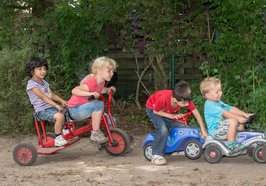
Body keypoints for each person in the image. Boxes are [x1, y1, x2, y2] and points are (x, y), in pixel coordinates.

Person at [146, 80, 208, 165]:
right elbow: (156, 112)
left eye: (187, 102)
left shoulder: (184, 98)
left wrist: (203, 130)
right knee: (162, 130)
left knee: (181, 126)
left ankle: (178, 147)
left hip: (166, 112)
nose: (186, 105)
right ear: (175, 100)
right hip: (153, 110)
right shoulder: (163, 98)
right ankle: (157, 155)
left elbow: (196, 113)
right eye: (184, 103)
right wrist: (172, 116)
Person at [67, 56, 117, 144]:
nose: (112, 73)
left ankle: (115, 137)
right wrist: (91, 94)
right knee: (98, 104)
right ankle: (95, 134)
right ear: (99, 70)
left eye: (113, 71)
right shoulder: (91, 81)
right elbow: (75, 90)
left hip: (84, 108)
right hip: (75, 110)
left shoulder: (102, 82)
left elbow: (99, 90)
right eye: (109, 71)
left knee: (109, 119)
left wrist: (108, 90)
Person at [200, 77, 253, 154]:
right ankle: (232, 146)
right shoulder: (209, 105)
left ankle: (240, 142)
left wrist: (245, 114)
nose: (220, 93)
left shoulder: (218, 102)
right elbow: (226, 113)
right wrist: (238, 118)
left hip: (222, 127)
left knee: (241, 124)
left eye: (220, 90)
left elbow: (231, 109)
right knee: (233, 121)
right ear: (207, 95)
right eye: (217, 92)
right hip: (216, 131)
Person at [26, 57, 68, 147]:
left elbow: (51, 95)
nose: (43, 71)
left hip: (50, 107)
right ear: (32, 71)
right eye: (40, 69)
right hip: (41, 111)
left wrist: (62, 100)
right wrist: (56, 105)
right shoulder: (31, 84)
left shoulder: (44, 82)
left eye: (44, 69)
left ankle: (65, 130)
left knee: (66, 110)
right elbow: (43, 97)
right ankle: (58, 138)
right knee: (59, 116)